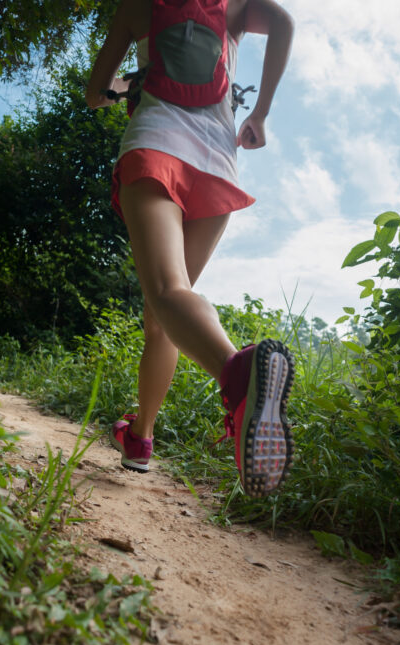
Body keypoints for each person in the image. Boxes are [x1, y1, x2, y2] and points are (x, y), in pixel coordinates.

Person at [86, 0, 295, 497]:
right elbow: (285, 22)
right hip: (216, 163)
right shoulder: (234, 6)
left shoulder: (137, 8)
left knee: (165, 290)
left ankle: (239, 375)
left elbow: (95, 94)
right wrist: (260, 115)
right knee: (161, 315)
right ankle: (140, 439)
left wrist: (124, 88)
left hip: (155, 145)